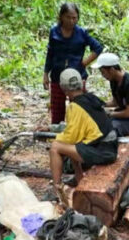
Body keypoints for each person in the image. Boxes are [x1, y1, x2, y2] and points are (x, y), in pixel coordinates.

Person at [47, 69, 117, 198]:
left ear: (64, 89)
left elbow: (70, 136)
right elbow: (80, 128)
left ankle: (57, 189)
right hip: (110, 147)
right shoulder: (91, 98)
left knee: (55, 148)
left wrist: (53, 139)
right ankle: (79, 180)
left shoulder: (75, 107)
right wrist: (51, 129)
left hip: (103, 152)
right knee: (75, 146)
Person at [44, 2, 103, 124]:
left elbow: (97, 48)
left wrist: (84, 63)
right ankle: (58, 135)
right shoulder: (54, 32)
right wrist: (46, 74)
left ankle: (77, 135)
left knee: (78, 108)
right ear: (61, 17)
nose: (71, 21)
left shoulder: (81, 32)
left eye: (74, 18)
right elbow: (50, 53)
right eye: (68, 17)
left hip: (77, 76)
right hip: (57, 76)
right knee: (57, 110)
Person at [93, 53, 129, 136]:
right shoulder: (113, 80)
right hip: (121, 116)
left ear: (111, 70)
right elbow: (116, 102)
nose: (103, 76)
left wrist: (109, 114)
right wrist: (101, 105)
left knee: (108, 129)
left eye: (103, 72)